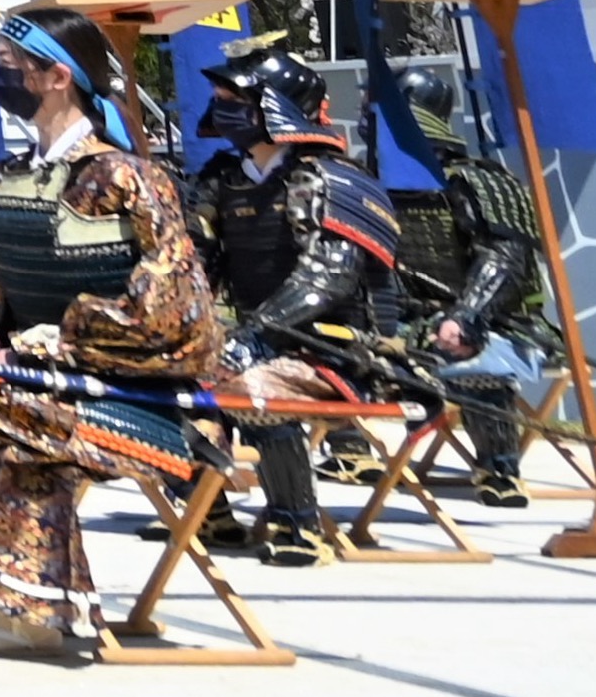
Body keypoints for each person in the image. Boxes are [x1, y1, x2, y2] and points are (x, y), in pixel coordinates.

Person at [0, 13, 219, 657]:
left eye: (11, 65)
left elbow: (177, 311)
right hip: (46, 373)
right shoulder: (19, 174)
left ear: (58, 77)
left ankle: (24, 608)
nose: (0, 78)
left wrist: (66, 337)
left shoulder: (127, 178)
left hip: (133, 390)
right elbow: (3, 295)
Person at [184, 50, 402, 569]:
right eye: (221, 100)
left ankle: (297, 521)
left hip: (338, 352)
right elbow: (196, 263)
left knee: (253, 388)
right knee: (169, 376)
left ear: (276, 108)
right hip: (253, 344)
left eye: (235, 99)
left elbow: (326, 277)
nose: (223, 107)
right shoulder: (222, 177)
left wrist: (255, 335)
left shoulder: (332, 179)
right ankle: (206, 509)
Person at [371, 65, 546, 509]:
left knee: (476, 358)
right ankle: (351, 453)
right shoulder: (371, 184)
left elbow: (506, 258)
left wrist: (468, 313)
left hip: (496, 320)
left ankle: (499, 466)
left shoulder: (478, 182)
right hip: (404, 321)